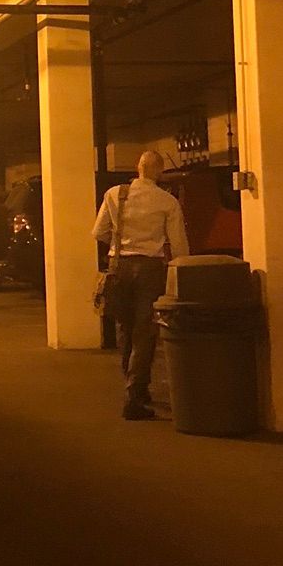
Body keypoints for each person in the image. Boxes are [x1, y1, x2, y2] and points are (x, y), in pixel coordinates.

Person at [93, 149, 189, 421]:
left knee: (125, 327)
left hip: (119, 267)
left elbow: (99, 232)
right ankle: (134, 396)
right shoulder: (167, 201)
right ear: (159, 170)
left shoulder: (115, 194)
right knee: (144, 333)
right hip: (149, 268)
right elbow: (179, 245)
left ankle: (133, 384)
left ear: (138, 167)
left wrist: (119, 243)